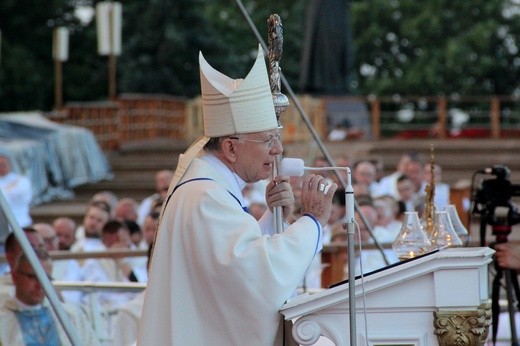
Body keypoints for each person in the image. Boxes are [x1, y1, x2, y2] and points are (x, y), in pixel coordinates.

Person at [137, 46, 337, 345]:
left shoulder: (207, 188)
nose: (278, 150)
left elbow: (227, 262)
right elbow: (256, 276)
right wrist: (312, 220)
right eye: (268, 139)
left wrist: (271, 217)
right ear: (230, 148)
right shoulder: (206, 196)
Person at [0, 228, 99, 345]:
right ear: (15, 276)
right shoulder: (3, 320)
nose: (40, 285)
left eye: (46, 279)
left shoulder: (69, 315)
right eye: (32, 277)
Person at [0, 154, 33, 227]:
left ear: (10, 165)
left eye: (3, 164)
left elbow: (7, 199)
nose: (1, 167)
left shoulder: (22, 181)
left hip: (21, 222)